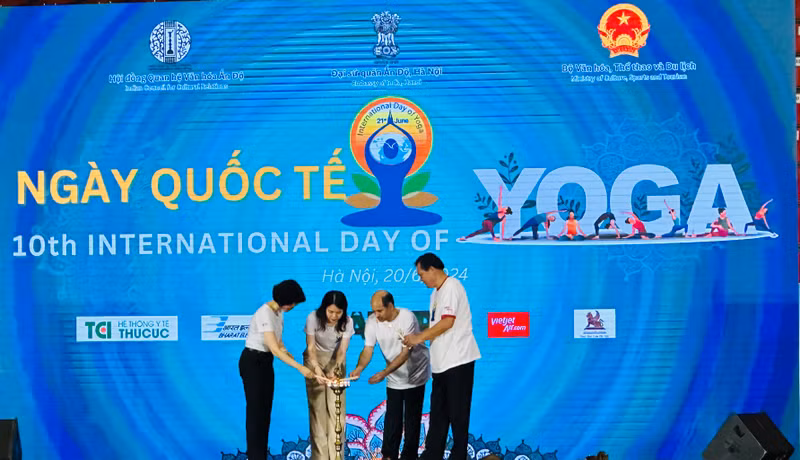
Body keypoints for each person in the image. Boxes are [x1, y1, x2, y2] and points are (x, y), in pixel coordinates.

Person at [403, 253, 481, 460]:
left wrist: (418, 338)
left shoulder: (452, 287)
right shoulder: (435, 294)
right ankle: (432, 454)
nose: (420, 279)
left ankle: (458, 456)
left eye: (421, 274)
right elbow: (437, 327)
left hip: (458, 360)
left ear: (432, 269)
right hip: (441, 364)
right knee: (438, 414)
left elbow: (447, 322)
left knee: (458, 414)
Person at [239, 279, 318, 460]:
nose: (292, 307)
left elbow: (280, 346)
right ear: (285, 300)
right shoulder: (264, 313)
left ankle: (260, 455)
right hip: (252, 361)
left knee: (265, 411)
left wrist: (300, 363)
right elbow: (274, 348)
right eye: (293, 303)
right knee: (255, 413)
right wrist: (300, 369)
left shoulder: (278, 314)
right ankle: (255, 456)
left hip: (266, 362)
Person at [350, 290, 431, 460]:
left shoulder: (407, 317)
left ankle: (409, 456)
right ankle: (388, 455)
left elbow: (404, 353)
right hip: (394, 375)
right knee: (392, 417)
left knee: (412, 418)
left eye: (379, 310)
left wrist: (384, 373)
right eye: (374, 310)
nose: (376, 315)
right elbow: (368, 349)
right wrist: (359, 368)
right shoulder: (372, 321)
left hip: (416, 372)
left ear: (391, 306)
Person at [304, 290, 355, 460]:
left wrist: (335, 368)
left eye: (338, 312)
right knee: (318, 412)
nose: (334, 316)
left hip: (336, 361)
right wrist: (317, 370)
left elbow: (342, 350)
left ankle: (337, 457)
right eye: (330, 311)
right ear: (324, 308)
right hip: (314, 359)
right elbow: (310, 347)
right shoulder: (313, 317)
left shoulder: (348, 322)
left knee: (337, 411)